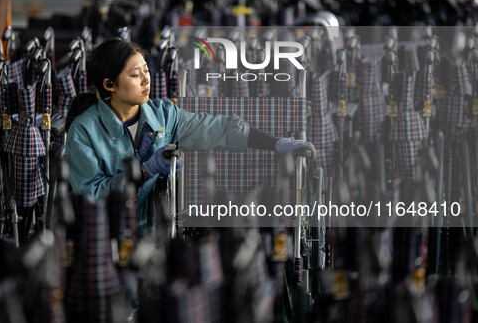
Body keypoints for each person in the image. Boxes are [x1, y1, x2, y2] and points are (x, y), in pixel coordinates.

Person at [66, 39, 316, 231]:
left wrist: (279, 144)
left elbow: (218, 129)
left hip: (157, 233)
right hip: (107, 235)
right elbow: (91, 196)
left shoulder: (164, 116)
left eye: (146, 70)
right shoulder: (84, 131)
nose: (146, 80)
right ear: (110, 84)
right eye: (135, 75)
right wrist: (145, 171)